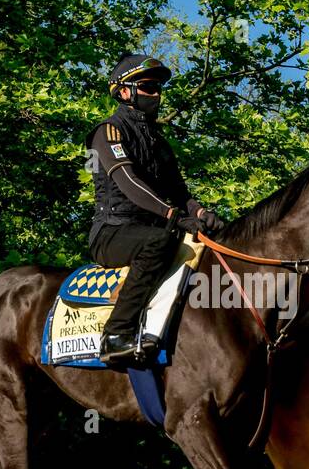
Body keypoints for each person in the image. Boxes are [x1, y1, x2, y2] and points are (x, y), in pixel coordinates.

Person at [86, 53, 225, 363]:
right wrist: (174, 216)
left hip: (155, 227)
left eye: (160, 87)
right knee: (160, 241)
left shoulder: (160, 143)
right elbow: (129, 183)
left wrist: (200, 213)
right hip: (112, 231)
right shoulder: (108, 133)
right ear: (124, 92)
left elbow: (180, 193)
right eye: (149, 86)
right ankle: (115, 335)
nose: (157, 94)